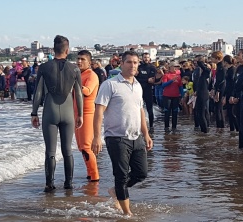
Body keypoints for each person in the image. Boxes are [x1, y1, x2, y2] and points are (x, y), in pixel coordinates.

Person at [92, 50, 153, 216]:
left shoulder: (138, 85)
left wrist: (146, 133)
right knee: (121, 175)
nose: (132, 65)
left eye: (135, 62)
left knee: (141, 173)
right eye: (129, 62)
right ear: (121, 64)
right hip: (116, 137)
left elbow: (140, 111)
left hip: (136, 136)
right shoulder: (110, 84)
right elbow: (98, 111)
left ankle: (116, 191)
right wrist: (97, 137)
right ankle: (127, 213)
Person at [31, 35, 83, 192]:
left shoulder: (45, 68)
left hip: (50, 112)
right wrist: (80, 114)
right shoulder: (74, 69)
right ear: (67, 50)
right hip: (68, 114)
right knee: (67, 150)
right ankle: (68, 183)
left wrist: (34, 113)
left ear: (53, 50)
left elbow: (38, 92)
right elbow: (79, 94)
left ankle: (50, 184)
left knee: (50, 151)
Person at [74, 50, 100, 182]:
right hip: (76, 114)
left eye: (82, 59)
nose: (79, 61)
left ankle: (95, 176)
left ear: (89, 62)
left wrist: (73, 83)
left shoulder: (92, 75)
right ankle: (90, 174)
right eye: (78, 59)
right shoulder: (79, 74)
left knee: (86, 147)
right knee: (81, 147)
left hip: (88, 114)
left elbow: (87, 91)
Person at [136, 52, 156, 133]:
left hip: (148, 90)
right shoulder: (139, 67)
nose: (146, 59)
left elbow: (152, 80)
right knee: (137, 109)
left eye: (147, 57)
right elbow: (136, 78)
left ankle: (151, 126)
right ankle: (138, 125)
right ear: (142, 58)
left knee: (149, 109)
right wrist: (146, 80)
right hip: (139, 91)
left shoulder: (152, 67)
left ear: (149, 58)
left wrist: (148, 80)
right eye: (144, 57)